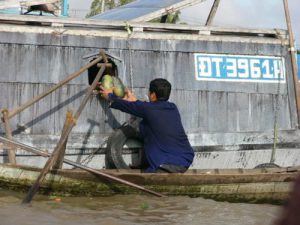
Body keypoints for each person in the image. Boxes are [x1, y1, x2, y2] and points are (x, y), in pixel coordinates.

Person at [99, 78, 194, 173]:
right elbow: (148, 108)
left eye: (149, 92)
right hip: (185, 159)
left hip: (166, 164)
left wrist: (110, 96)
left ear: (152, 94)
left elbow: (131, 107)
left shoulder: (148, 109)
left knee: (148, 173)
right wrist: (135, 101)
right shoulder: (173, 108)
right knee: (146, 127)